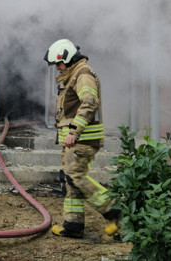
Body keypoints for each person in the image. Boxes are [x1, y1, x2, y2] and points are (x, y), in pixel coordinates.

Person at [44, 39, 120, 239]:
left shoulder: (83, 74)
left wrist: (74, 131)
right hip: (74, 141)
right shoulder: (73, 75)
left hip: (81, 140)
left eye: (59, 63)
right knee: (70, 181)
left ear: (68, 57)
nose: (58, 68)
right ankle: (73, 225)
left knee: (76, 177)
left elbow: (89, 102)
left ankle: (113, 209)